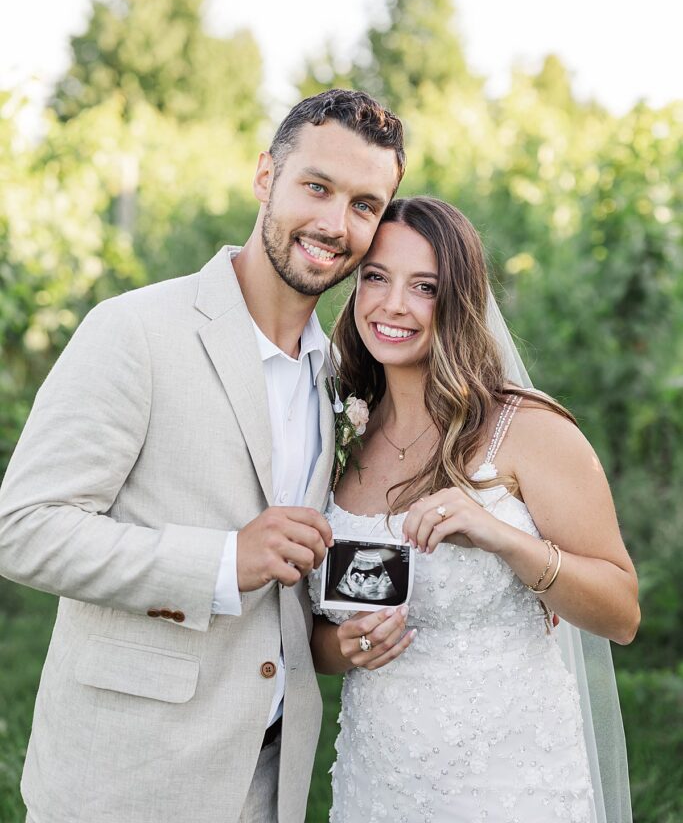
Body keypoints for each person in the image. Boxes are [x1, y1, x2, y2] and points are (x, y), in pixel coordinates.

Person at [0, 89, 405, 823]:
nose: (333, 223)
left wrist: (332, 636)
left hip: (269, 781)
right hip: (125, 781)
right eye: (316, 187)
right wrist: (221, 564)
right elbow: (22, 528)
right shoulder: (136, 331)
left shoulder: (338, 376)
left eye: (363, 205)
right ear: (264, 178)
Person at [309, 195, 639, 823]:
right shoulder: (336, 431)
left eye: (424, 287)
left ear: (460, 302)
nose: (393, 305)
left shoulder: (529, 430)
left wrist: (504, 539)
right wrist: (344, 645)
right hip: (379, 778)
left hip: (509, 782)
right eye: (375, 278)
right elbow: (311, 637)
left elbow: (621, 614)